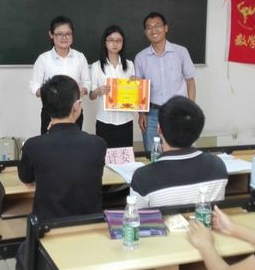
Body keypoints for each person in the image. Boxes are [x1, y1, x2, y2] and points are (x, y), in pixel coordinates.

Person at [16, 75, 107, 270]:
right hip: (90, 233)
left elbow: (25, 178)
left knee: (21, 252)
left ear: (46, 108)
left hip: (48, 235)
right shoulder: (98, 144)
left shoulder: (33, 146)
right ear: (77, 107)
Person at [130, 96, 227, 209]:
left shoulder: (143, 177)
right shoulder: (218, 166)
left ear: (159, 129)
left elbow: (136, 217)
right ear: (198, 130)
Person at [134, 12, 196, 152]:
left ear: (165, 28)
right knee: (153, 154)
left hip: (178, 111)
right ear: (145, 31)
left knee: (180, 152)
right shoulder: (140, 57)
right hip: (152, 114)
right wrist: (141, 114)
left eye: (157, 26)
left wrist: (191, 109)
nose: (153, 30)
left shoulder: (181, 52)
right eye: (149, 27)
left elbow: (190, 82)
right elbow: (138, 89)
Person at [29, 16, 91, 134]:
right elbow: (34, 86)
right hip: (50, 113)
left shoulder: (80, 57)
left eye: (68, 34)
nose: (64, 37)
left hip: (74, 112)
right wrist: (48, 93)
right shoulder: (43, 59)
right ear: (51, 35)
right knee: (49, 144)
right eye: (60, 34)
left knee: (74, 143)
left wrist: (82, 90)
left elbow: (87, 82)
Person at [89, 25, 135, 148]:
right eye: (111, 40)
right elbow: (91, 96)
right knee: (105, 155)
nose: (115, 44)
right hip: (104, 120)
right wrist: (98, 90)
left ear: (123, 43)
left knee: (125, 156)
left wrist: (135, 85)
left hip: (126, 120)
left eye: (118, 40)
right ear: (105, 42)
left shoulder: (129, 65)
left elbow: (134, 93)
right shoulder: (96, 66)